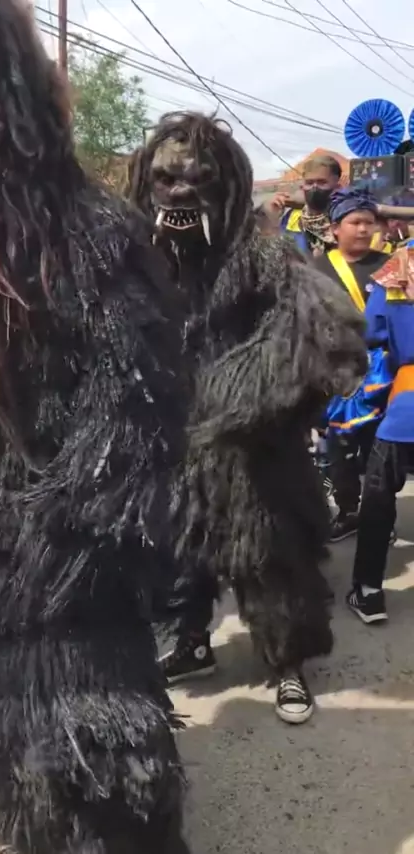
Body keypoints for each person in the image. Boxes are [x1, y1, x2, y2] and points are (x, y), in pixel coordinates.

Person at [0, 4, 193, 853]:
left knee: (101, 781)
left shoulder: (83, 236)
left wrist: (50, 552)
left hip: (60, 589)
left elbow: (138, 422)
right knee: (14, 754)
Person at [124, 111, 367, 724]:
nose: (181, 193)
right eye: (167, 180)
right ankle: (191, 643)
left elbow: (327, 334)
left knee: (269, 561)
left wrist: (238, 397)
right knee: (177, 559)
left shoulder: (262, 254)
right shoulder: (136, 264)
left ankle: (287, 664)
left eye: (197, 180)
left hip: (253, 453)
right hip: (174, 449)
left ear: (225, 187)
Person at [314, 188, 392, 543]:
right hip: (335, 371)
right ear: (335, 229)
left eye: (369, 222)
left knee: (380, 450)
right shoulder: (316, 269)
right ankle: (349, 511)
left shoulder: (391, 265)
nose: (363, 229)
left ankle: (380, 516)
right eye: (355, 222)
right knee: (338, 447)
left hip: (382, 371)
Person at [348, 242, 414, 623]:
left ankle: (369, 590)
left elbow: (371, 332)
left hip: (407, 407)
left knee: (377, 497)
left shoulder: (398, 269)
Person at [267, 154, 342, 256]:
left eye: (322, 182)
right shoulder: (291, 218)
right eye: (309, 183)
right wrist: (270, 217)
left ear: (338, 187)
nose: (314, 188)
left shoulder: (346, 219)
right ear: (302, 187)